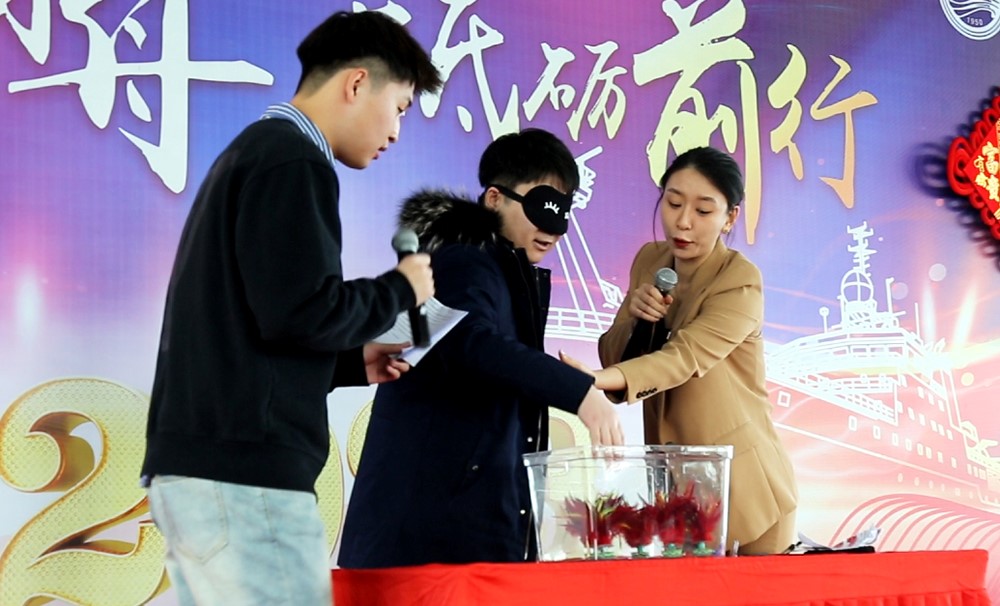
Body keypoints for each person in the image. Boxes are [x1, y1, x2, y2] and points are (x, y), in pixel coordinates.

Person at [140, 11, 442, 605]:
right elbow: (303, 311)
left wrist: (349, 361)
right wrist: (400, 288)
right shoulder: (293, 160)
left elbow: (266, 322)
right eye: (401, 107)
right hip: (246, 477)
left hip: (215, 469)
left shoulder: (256, 153)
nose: (396, 132)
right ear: (357, 83)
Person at [337, 128, 625, 569]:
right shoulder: (463, 260)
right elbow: (470, 342)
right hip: (429, 540)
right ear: (494, 198)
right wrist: (579, 392)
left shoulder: (504, 274)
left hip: (460, 533)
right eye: (542, 205)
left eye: (562, 210)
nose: (552, 227)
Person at [563, 146, 797, 555]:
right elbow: (617, 357)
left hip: (745, 489)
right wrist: (635, 319)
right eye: (673, 203)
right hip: (677, 485)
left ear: (730, 218)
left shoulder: (740, 281)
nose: (683, 221)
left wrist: (594, 381)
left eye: (703, 211)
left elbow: (684, 358)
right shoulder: (650, 260)